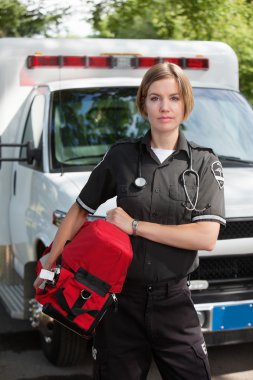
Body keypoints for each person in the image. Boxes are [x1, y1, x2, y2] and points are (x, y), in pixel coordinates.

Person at [34, 62, 226, 380]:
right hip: (120, 303)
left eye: (174, 98)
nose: (165, 106)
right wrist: (50, 264)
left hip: (174, 304)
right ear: (143, 104)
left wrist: (135, 226)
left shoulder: (204, 163)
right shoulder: (121, 157)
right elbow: (79, 210)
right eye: (155, 98)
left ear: (186, 103)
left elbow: (205, 236)